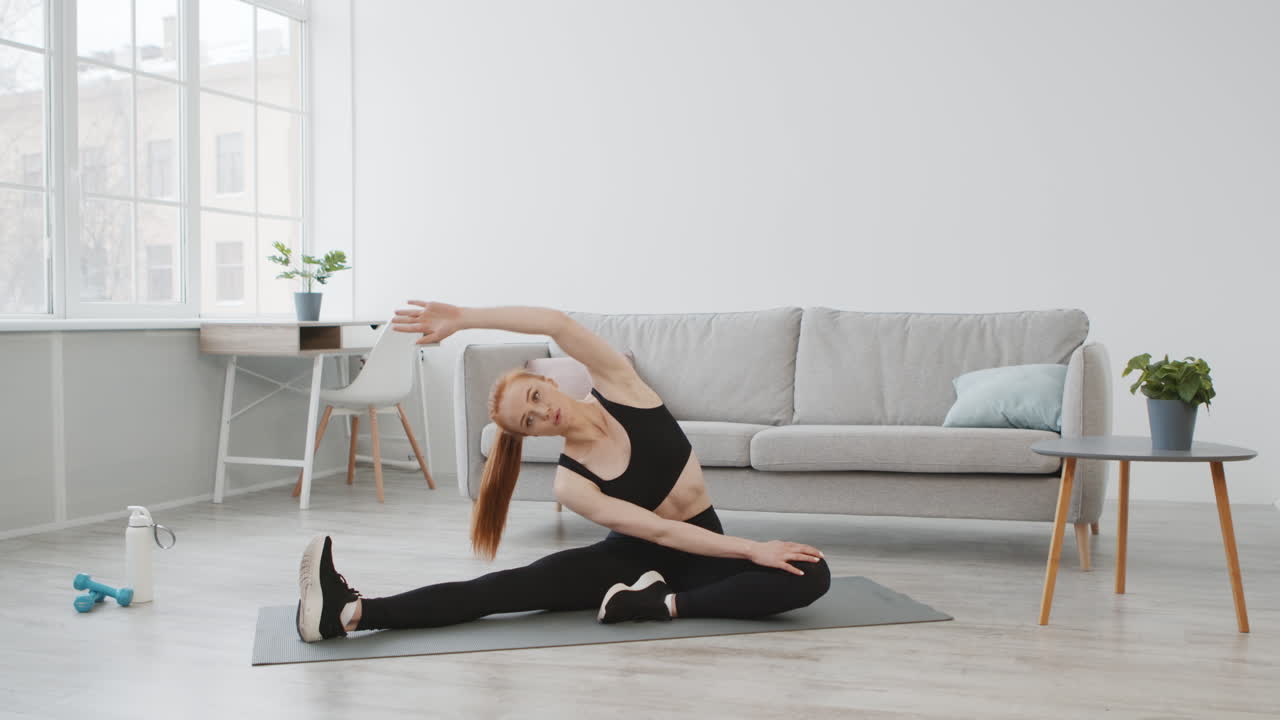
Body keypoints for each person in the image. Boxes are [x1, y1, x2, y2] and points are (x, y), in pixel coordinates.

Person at [295, 303, 830, 643]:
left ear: (546, 382)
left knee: (812, 575)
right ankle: (349, 613)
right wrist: (753, 547)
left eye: (534, 397)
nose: (539, 412)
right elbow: (661, 532)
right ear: (530, 435)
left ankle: (656, 603)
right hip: (630, 558)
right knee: (500, 591)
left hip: (700, 551)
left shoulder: (623, 387)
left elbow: (555, 323)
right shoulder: (570, 483)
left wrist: (463, 319)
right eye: (527, 421)